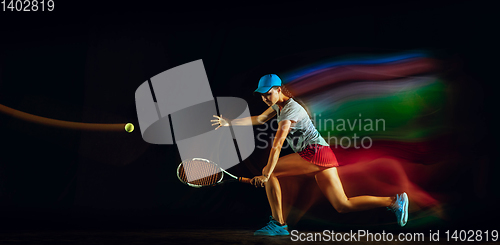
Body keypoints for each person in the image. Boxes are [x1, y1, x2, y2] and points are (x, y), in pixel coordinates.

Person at [211, 74, 408, 236]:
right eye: (262, 95)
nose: (265, 98)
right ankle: (394, 201)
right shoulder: (278, 106)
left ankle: (279, 224)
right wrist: (229, 123)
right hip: (323, 153)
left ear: (278, 89)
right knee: (342, 204)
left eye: (268, 94)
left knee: (270, 171)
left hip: (315, 153)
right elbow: (261, 119)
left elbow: (277, 145)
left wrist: (266, 175)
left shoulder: (290, 110)